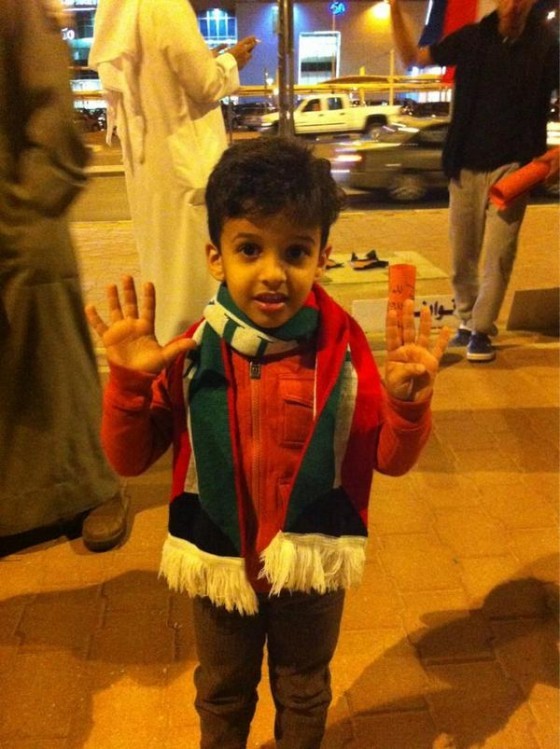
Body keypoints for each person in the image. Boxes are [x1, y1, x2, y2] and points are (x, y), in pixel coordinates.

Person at [86, 136, 450, 748]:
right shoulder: (190, 351)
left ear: (322, 257)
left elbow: (388, 460)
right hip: (219, 560)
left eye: (296, 251)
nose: (273, 273)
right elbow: (129, 457)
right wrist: (128, 383)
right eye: (250, 248)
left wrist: (407, 405)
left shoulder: (343, 354)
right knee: (221, 691)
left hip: (311, 568)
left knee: (303, 688)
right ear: (216, 256)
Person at [0, 0, 128, 552]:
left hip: (18, 215)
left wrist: (28, 212)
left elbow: (51, 111)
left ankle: (91, 486)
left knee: (53, 363)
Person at [389, 0, 559, 362]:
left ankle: (481, 330)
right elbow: (413, 58)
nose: (514, 6)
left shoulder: (546, 45)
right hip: (464, 165)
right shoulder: (471, 39)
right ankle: (466, 321)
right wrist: (394, 12)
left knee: (499, 255)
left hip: (513, 170)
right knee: (462, 256)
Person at [89, 0, 258, 344]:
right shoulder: (167, 6)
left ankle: (171, 361)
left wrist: (209, 60)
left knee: (165, 278)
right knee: (195, 284)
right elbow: (206, 85)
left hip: (152, 171)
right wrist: (231, 60)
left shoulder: (122, 10)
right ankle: (197, 365)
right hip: (188, 167)